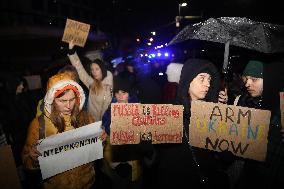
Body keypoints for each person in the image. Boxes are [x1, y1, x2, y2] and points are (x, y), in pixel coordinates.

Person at [154, 58, 230, 189]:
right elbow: (151, 146)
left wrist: (223, 113)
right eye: (202, 78)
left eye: (209, 80)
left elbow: (226, 155)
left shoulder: (213, 112)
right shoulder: (171, 111)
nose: (207, 84)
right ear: (188, 80)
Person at [21, 73, 106, 189]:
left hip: (88, 184)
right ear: (52, 99)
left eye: (72, 99)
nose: (68, 106)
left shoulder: (86, 117)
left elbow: (95, 149)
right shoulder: (38, 125)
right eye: (62, 101)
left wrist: (101, 140)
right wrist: (33, 158)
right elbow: (26, 162)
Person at [235, 59, 284, 189]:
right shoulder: (245, 101)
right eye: (246, 79)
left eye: (254, 79)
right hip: (248, 175)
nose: (247, 84)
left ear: (269, 80)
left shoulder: (280, 110)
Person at [100, 76, 142, 189]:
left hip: (131, 153)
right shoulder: (111, 107)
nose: (120, 96)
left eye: (124, 92)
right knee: (117, 181)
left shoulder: (137, 108)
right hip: (114, 151)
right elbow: (104, 123)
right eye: (117, 93)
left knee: (132, 181)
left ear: (129, 93)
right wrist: (104, 129)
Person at [68, 41, 113, 121]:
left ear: (102, 69)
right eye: (92, 70)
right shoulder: (92, 83)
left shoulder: (109, 84)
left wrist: (103, 124)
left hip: (103, 123)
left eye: (97, 69)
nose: (94, 72)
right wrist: (71, 50)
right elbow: (79, 69)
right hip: (91, 121)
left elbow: (107, 108)